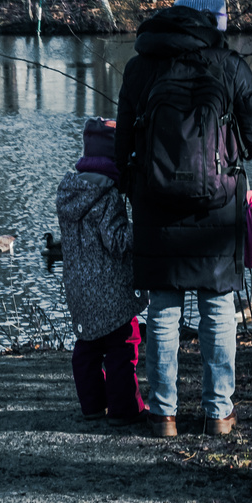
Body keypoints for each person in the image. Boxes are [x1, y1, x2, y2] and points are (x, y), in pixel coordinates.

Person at [114, 0, 252, 437]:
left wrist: (132, 185)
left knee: (162, 310)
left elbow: (122, 142)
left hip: (154, 206)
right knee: (218, 308)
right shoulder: (229, 66)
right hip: (217, 210)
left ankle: (163, 414)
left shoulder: (141, 66)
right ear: (213, 20)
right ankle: (218, 413)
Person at [57, 117, 148, 425]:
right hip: (110, 289)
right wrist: (143, 229)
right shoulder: (106, 196)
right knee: (124, 344)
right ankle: (125, 409)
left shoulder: (68, 192)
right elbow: (118, 241)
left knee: (88, 347)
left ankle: (93, 404)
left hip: (78, 288)